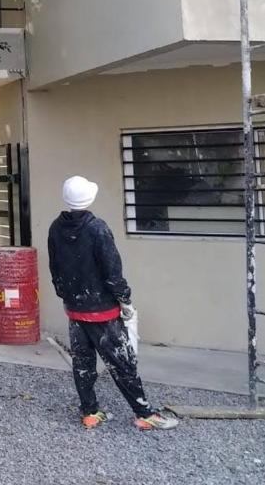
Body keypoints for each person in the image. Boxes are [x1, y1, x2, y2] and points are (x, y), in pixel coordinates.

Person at [47, 176, 178, 430]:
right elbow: (112, 271)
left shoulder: (55, 228)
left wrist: (65, 295)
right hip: (102, 310)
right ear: (90, 198)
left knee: (82, 362)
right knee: (121, 362)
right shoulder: (97, 228)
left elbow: (55, 267)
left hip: (75, 308)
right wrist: (124, 298)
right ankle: (144, 413)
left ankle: (90, 412)